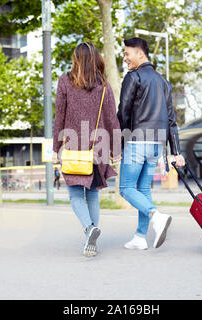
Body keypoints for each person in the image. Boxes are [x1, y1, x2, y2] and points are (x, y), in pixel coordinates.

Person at [52, 42, 121, 257]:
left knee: (74, 195)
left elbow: (59, 117)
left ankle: (89, 229)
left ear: (76, 59)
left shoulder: (65, 81)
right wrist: (116, 148)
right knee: (92, 195)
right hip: (98, 146)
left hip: (73, 146)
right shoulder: (104, 85)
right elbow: (112, 118)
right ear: (96, 59)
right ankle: (92, 241)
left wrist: (55, 148)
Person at [117, 37, 185, 250]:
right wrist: (176, 151)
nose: (125, 58)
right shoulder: (163, 81)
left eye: (128, 53)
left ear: (140, 54)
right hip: (157, 145)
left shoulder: (133, 77)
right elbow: (172, 120)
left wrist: (119, 143)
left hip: (137, 141)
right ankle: (140, 237)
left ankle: (156, 216)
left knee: (126, 188)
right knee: (143, 188)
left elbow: (124, 113)